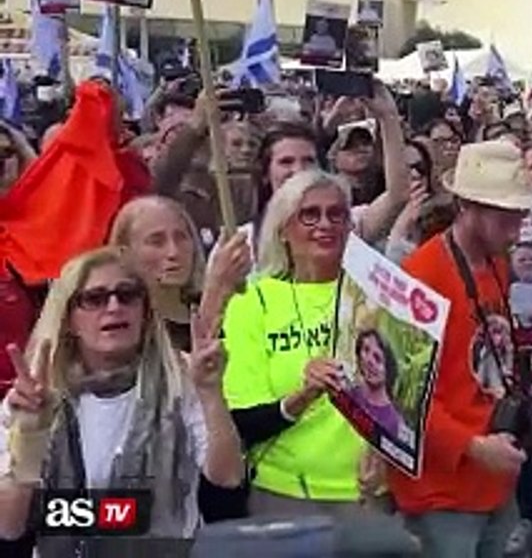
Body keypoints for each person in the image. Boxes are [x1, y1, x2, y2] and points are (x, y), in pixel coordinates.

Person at [0, 247, 243, 545]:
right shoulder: (33, 395)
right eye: (95, 298)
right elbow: (9, 526)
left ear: (145, 312)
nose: (114, 307)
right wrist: (30, 438)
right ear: (70, 318)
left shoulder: (182, 377)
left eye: (127, 295)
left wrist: (210, 394)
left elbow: (228, 476)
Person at [392, 140, 532, 557]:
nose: (516, 228)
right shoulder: (419, 276)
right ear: (466, 205)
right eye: (504, 214)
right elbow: (401, 397)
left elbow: (484, 351)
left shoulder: (497, 262)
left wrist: (523, 391)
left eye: (520, 213)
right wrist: (472, 447)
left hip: (496, 483)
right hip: (442, 494)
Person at [221, 171, 370, 518]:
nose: (325, 224)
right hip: (284, 493)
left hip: (368, 493)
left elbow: (404, 398)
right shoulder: (252, 302)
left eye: (337, 214)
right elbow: (243, 421)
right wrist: (302, 396)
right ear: (283, 229)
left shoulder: (377, 296)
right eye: (309, 215)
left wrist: (384, 455)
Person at [108, 196, 205, 353]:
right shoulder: (120, 324)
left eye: (181, 238)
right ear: (124, 252)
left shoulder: (230, 312)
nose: (173, 252)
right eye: (156, 242)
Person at [347, 329, 408, 439]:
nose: (369, 361)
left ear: (388, 369)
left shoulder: (395, 422)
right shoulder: (349, 393)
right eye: (365, 350)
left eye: (377, 358)